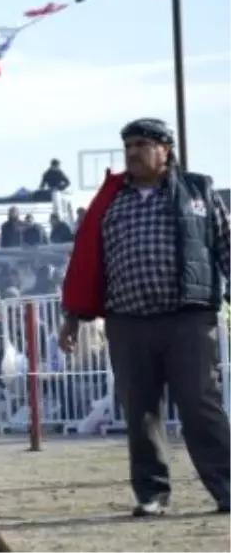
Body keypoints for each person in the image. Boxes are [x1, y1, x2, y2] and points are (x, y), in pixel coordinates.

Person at [60, 117, 231, 517]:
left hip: (188, 318)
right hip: (128, 321)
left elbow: (226, 244)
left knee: (199, 405)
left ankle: (227, 487)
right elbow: (86, 263)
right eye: (128, 146)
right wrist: (72, 317)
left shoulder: (199, 192)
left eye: (142, 144)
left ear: (165, 150)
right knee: (140, 410)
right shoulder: (109, 201)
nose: (133, 152)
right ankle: (152, 493)